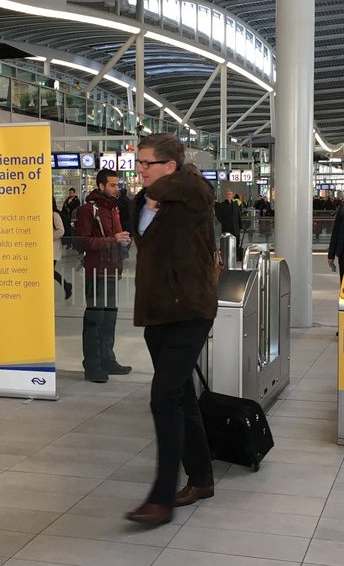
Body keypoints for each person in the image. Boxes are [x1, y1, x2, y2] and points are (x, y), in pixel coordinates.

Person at [125, 133, 217, 527]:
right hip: (157, 315)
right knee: (181, 395)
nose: (139, 170)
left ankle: (161, 498)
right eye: (138, 163)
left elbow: (193, 185)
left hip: (190, 312)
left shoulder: (192, 195)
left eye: (146, 163)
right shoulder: (140, 202)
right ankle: (202, 479)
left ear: (169, 166)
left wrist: (162, 185)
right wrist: (147, 197)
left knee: (162, 398)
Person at [76, 169, 132, 383]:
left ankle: (107, 359)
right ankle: (92, 364)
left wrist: (124, 241)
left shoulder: (114, 208)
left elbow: (114, 237)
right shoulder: (88, 210)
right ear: (100, 185)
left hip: (111, 270)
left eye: (117, 185)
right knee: (95, 320)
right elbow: (82, 242)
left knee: (109, 318)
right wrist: (113, 239)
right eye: (112, 185)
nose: (116, 189)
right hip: (96, 271)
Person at [52, 198, 72, 300]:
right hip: (48, 248)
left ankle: (66, 285)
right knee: (49, 272)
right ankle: (66, 285)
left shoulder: (54, 214)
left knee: (49, 271)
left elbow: (61, 230)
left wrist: (49, 237)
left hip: (53, 248)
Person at [215, 189, 243, 259]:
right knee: (227, 242)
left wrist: (240, 226)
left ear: (232, 196)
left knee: (237, 241)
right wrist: (224, 223)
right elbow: (219, 216)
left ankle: (236, 256)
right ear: (225, 196)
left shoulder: (235, 204)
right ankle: (227, 256)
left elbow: (238, 216)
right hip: (227, 228)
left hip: (235, 228)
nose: (229, 195)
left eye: (230, 194)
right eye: (227, 194)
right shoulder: (221, 205)